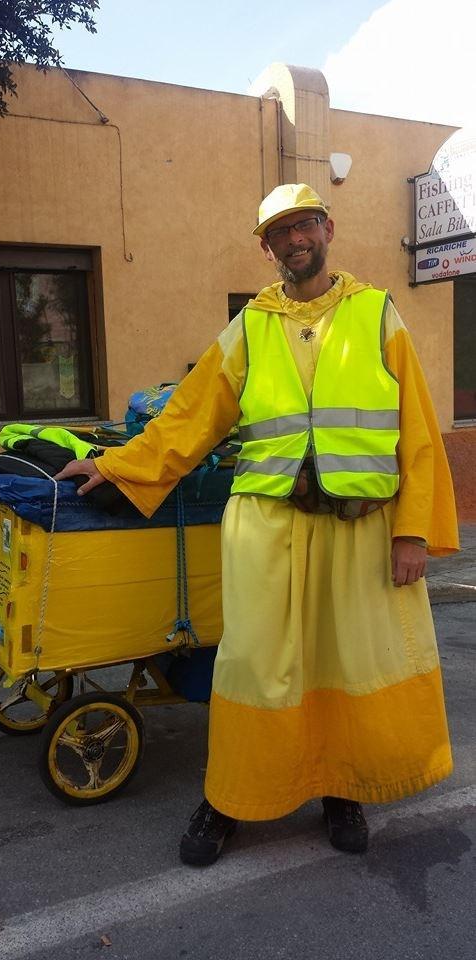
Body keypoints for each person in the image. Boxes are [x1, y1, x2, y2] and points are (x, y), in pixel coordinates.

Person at [55, 183, 459, 866]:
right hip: (267, 529)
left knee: (350, 663)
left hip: (359, 529)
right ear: (266, 248)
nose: (294, 240)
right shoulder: (250, 326)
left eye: (304, 225)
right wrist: (117, 465)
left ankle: (342, 789)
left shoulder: (377, 314)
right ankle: (229, 798)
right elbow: (189, 416)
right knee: (253, 668)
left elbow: (416, 430)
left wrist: (412, 533)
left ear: (327, 229)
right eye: (279, 233)